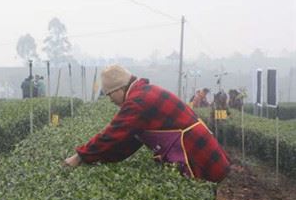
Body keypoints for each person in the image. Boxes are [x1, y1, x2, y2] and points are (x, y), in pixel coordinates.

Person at [64, 65, 230, 183]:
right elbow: (127, 142)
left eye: (109, 95)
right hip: (200, 150)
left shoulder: (138, 101)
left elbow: (113, 134)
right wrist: (96, 159)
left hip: (197, 154)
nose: (111, 100)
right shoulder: (143, 93)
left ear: (118, 89)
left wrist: (80, 156)